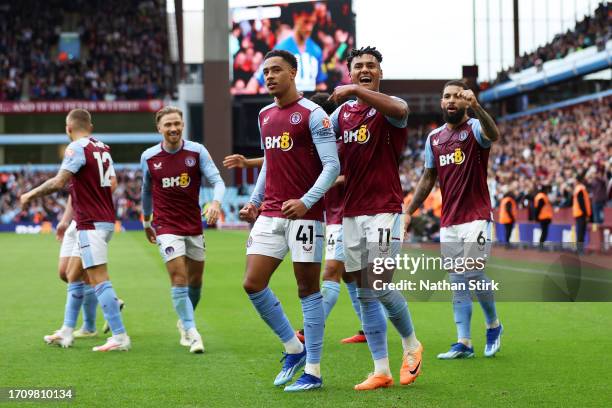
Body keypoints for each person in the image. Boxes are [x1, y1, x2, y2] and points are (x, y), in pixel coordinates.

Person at [223, 93, 365, 345]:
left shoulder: (340, 144)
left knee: (331, 273)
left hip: (341, 212)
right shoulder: (275, 121)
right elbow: (281, 153)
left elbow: (344, 172)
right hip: (326, 211)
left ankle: (310, 332)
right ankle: (365, 328)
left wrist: (311, 193)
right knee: (349, 275)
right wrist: (249, 165)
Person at [239, 50, 339, 392]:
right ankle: (293, 348)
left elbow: (332, 166)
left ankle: (313, 370)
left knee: (307, 290)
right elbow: (269, 162)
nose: (269, 76)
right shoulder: (265, 114)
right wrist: (254, 202)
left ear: (293, 73)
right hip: (270, 213)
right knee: (252, 283)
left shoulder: (314, 115)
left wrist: (306, 200)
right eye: (265, 71)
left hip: (306, 216)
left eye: (276, 70)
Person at [328, 46, 422, 390]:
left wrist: (354, 91)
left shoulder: (388, 109)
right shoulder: (341, 117)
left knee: (379, 284)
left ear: (379, 74)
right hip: (351, 213)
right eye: (359, 67)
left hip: (384, 209)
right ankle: (380, 369)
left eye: (371, 66)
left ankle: (411, 344)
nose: (365, 69)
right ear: (350, 71)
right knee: (364, 292)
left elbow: (402, 108)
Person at [406, 80, 503, 360]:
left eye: (457, 97)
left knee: (472, 272)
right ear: (441, 102)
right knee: (457, 281)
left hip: (476, 216)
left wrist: (478, 108)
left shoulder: (474, 128)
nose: (451, 100)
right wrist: (408, 211)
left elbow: (493, 134)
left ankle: (493, 325)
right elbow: (428, 178)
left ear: (465, 101)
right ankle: (464, 342)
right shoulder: (434, 138)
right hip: (449, 221)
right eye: (446, 96)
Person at [20, 108, 130, 352]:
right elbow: (108, 183)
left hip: (91, 222)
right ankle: (67, 331)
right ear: (90, 126)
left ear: (68, 128)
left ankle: (120, 336)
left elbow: (59, 182)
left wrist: (30, 193)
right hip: (97, 219)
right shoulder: (102, 148)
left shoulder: (75, 148)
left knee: (99, 278)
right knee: (72, 274)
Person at [140, 106, 225, 354]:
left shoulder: (196, 152)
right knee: (179, 277)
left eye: (177, 123)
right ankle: (193, 331)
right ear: (159, 128)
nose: (173, 128)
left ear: (182, 125)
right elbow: (146, 190)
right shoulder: (149, 157)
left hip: (193, 225)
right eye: (168, 124)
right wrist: (147, 221)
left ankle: (184, 322)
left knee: (196, 281)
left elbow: (218, 181)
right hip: (166, 226)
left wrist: (216, 203)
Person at [56, 193, 125, 338]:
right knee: (65, 273)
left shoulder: (96, 170)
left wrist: (30, 195)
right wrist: (65, 220)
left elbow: (109, 183)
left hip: (91, 219)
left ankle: (86, 327)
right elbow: (73, 191)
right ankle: (112, 303)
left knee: (80, 274)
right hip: (76, 220)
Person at [246, 3, 327, 93]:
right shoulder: (281, 49)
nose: (309, 28)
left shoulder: (317, 50)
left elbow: (321, 84)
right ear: (296, 18)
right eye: (306, 22)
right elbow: (255, 81)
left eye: (312, 23)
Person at [572, 173, 592, 252]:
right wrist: (586, 214)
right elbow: (582, 203)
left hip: (578, 213)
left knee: (580, 232)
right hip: (581, 214)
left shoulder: (578, 189)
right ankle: (580, 250)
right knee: (581, 232)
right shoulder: (581, 189)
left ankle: (579, 249)